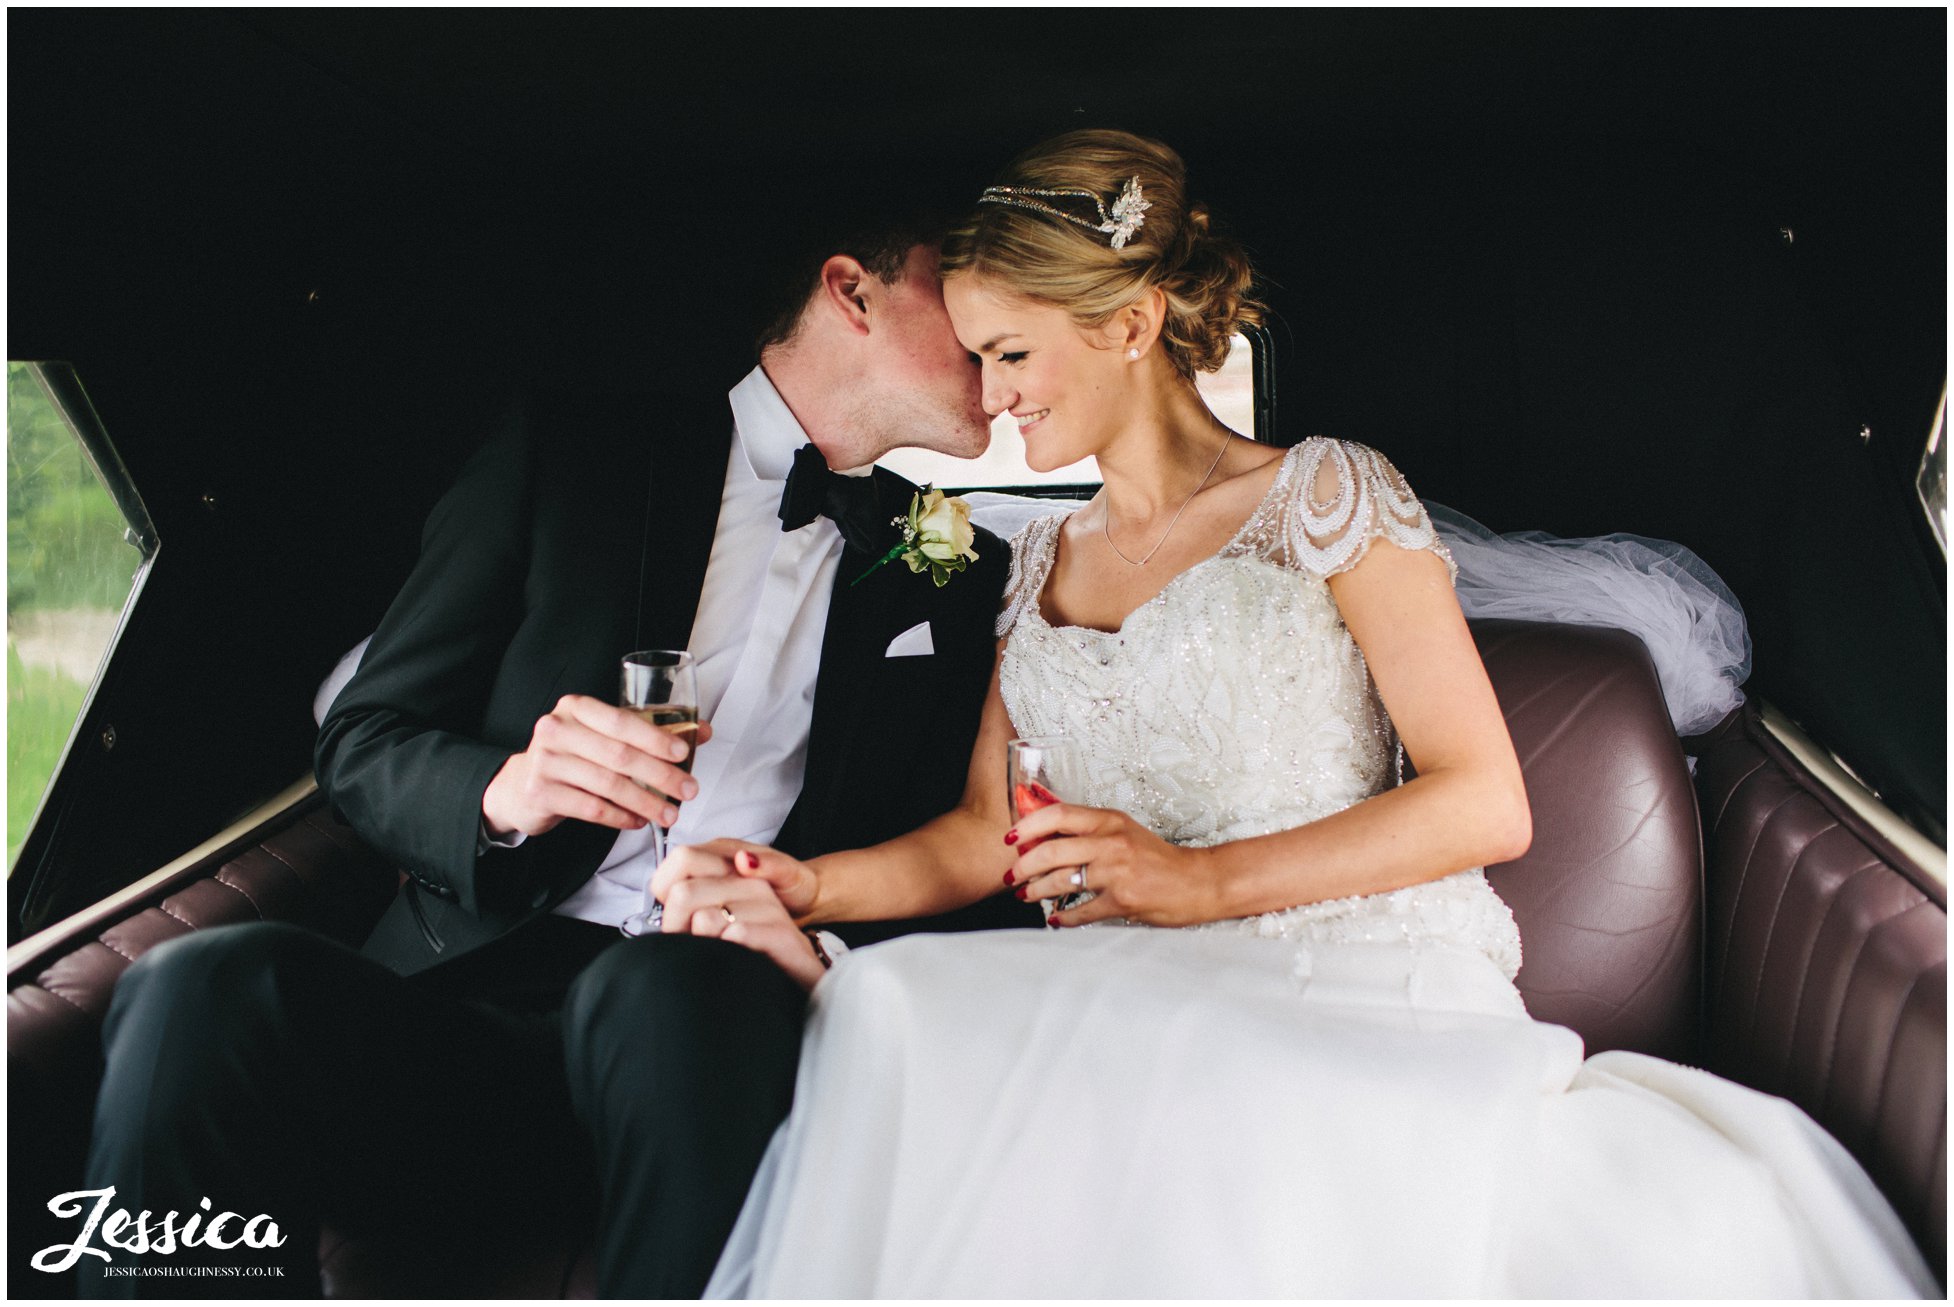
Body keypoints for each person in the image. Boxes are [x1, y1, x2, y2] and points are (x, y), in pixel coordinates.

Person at [655, 130, 1938, 1297]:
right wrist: (804, 885)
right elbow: (988, 830)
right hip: (1131, 986)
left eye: (1011, 354)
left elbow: (1483, 797)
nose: (990, 400)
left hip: (1355, 976)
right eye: (981, 359)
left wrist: (1194, 882)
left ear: (1129, 323)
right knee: (896, 1011)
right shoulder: (1039, 561)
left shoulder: (1328, 496)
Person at [77, 192, 1038, 1297]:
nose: (987, 320)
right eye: (957, 282)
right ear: (848, 291)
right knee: (200, 986)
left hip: (718, 1043)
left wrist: (817, 957)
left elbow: (960, 852)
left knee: (671, 988)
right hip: (462, 1016)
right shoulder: (571, 452)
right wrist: (504, 790)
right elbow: (364, 735)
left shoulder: (958, 579)